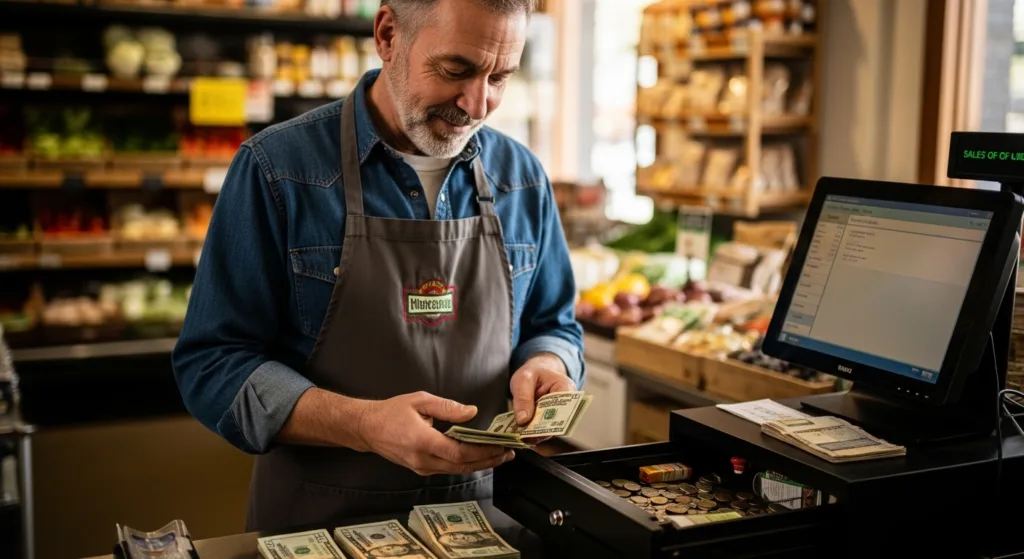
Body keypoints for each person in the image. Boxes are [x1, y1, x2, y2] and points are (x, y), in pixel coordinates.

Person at [172, 0, 584, 532]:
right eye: (455, 70)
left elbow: (553, 324)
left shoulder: (521, 178)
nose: (479, 103)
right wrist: (362, 424)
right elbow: (213, 363)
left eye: (500, 76)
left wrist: (550, 365)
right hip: (321, 526)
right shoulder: (277, 171)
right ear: (388, 34)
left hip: (488, 521)